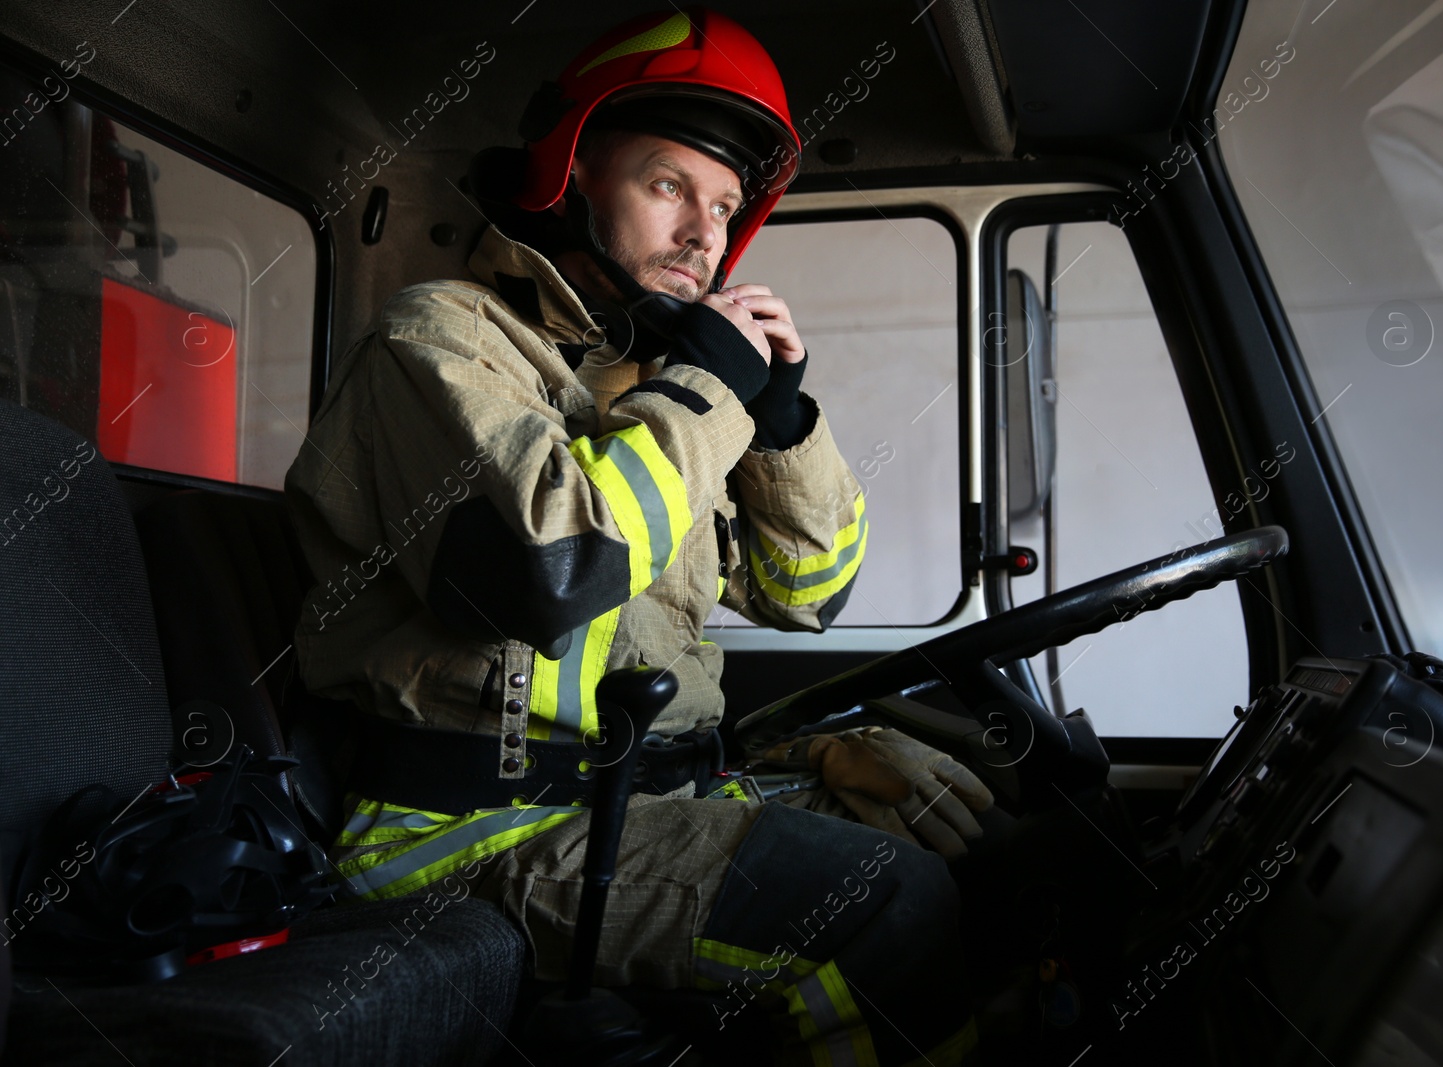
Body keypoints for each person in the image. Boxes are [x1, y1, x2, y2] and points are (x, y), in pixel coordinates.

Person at [284, 8, 992, 1063]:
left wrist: (783, 423)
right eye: (668, 186)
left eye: (723, 204)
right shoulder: (440, 339)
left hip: (643, 791)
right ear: (570, 177)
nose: (705, 232)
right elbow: (548, 569)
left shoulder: (661, 393)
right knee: (884, 905)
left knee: (980, 851)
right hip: (464, 830)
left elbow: (810, 590)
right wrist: (710, 387)